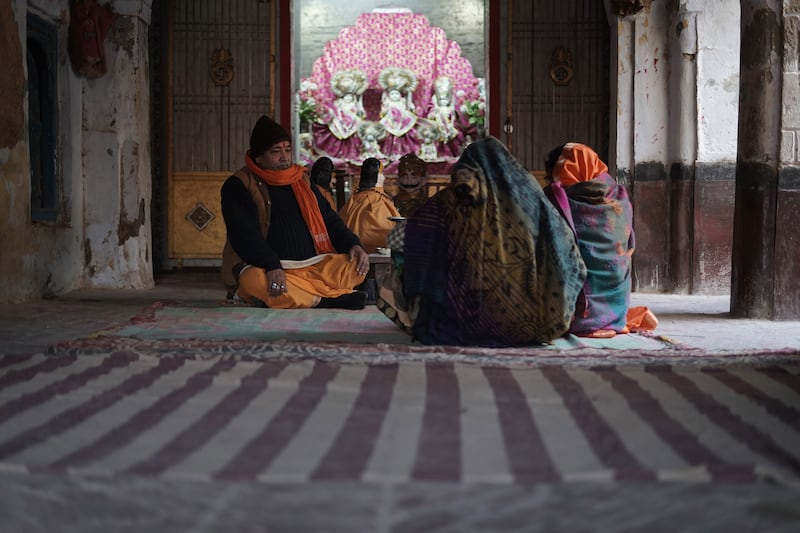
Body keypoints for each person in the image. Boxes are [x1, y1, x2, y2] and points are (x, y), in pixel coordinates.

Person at [376, 136, 587, 347]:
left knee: (410, 256)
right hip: (530, 325)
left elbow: (400, 237)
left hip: (459, 322)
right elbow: (568, 252)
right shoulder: (531, 197)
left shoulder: (452, 199)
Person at [220, 115, 370, 309]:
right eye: (276, 151)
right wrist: (272, 264)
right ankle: (324, 299)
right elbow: (244, 236)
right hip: (268, 266)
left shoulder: (302, 180)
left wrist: (353, 244)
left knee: (353, 266)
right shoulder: (239, 185)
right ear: (258, 157)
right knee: (252, 280)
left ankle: (298, 296)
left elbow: (329, 219)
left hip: (313, 265)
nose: (284, 157)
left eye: (288, 150)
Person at [543, 142, 657, 337]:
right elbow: (629, 245)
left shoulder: (558, 200)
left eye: (551, 174)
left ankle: (580, 316)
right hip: (616, 312)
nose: (550, 180)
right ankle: (604, 315)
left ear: (564, 170)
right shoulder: (619, 198)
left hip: (571, 316)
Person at [338, 157, 401, 253]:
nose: (384, 177)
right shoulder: (378, 201)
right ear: (378, 176)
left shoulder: (352, 201)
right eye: (382, 174)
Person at [392, 153, 429, 217]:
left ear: (423, 180)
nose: (409, 181)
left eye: (414, 177)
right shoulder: (391, 203)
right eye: (405, 176)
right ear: (398, 179)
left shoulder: (429, 205)